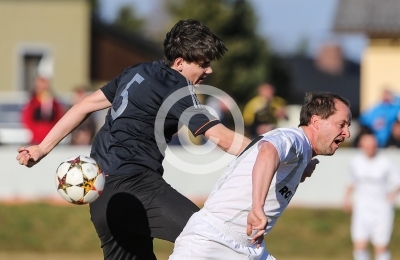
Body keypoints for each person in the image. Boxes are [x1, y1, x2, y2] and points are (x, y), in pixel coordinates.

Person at [16, 19, 250, 260]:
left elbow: (85, 105)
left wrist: (43, 148)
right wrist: (270, 149)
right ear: (179, 63)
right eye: (204, 63)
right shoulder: (176, 85)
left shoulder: (136, 71)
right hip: (137, 187)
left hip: (102, 199)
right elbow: (218, 136)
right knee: (213, 241)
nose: (209, 70)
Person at [169, 92, 352, 260]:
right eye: (341, 124)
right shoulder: (293, 137)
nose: (347, 133)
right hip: (211, 241)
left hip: (249, 247)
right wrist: (258, 206)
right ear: (316, 121)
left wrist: (301, 167)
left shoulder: (301, 151)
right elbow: (268, 150)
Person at [343, 133, 400, 260]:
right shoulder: (356, 161)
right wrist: (347, 198)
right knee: (360, 245)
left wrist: (393, 194)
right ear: (361, 146)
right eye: (367, 146)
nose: (370, 148)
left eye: (373, 145)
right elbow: (352, 182)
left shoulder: (385, 162)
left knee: (381, 247)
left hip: (382, 209)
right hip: (362, 208)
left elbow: (398, 181)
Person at [21, 76, 65, 144]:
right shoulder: (32, 102)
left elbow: (59, 117)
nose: (43, 89)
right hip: (36, 139)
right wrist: (36, 132)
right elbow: (26, 119)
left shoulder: (54, 103)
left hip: (51, 139)